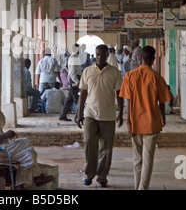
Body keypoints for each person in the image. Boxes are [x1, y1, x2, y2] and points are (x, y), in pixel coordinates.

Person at [0, 92, 54, 190]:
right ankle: (35, 177)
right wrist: (5, 136)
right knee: (25, 143)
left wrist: (4, 137)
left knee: (28, 155)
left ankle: (21, 184)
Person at [119, 46, 172, 190]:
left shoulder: (130, 76)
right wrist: (162, 117)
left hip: (135, 122)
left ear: (140, 58)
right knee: (148, 159)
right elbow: (162, 101)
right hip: (152, 123)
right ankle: (142, 188)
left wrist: (128, 121)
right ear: (154, 59)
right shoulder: (157, 78)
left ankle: (138, 187)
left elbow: (127, 102)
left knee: (137, 159)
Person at [75, 44, 124, 188]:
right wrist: (79, 113)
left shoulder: (114, 72)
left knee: (106, 148)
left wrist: (121, 112)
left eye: (103, 55)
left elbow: (119, 94)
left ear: (107, 55)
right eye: (98, 54)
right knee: (90, 143)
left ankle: (102, 177)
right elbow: (83, 93)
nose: (100, 57)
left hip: (108, 115)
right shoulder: (87, 71)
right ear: (94, 55)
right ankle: (89, 174)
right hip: (90, 113)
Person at [60, 43, 82, 121]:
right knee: (77, 99)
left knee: (70, 99)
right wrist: (77, 81)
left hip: (75, 78)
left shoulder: (76, 57)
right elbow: (72, 72)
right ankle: (79, 115)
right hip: (74, 79)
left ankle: (63, 115)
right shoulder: (73, 58)